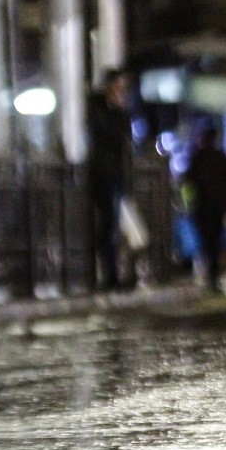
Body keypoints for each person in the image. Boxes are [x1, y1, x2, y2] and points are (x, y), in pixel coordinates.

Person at [87, 68, 134, 290]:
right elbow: (108, 135)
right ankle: (109, 274)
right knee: (107, 227)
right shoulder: (98, 108)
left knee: (114, 226)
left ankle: (115, 273)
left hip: (115, 174)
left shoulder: (119, 111)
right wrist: (116, 111)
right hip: (102, 173)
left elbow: (124, 139)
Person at [183, 124, 226, 292]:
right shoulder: (217, 159)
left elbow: (187, 183)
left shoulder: (201, 159)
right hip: (210, 209)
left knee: (209, 242)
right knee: (211, 242)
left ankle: (212, 274)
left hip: (207, 209)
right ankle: (212, 274)